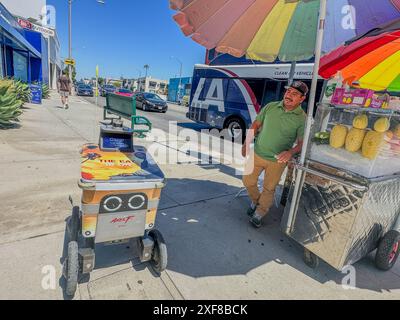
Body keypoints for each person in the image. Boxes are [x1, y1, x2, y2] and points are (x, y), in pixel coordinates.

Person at [242, 81, 309, 228]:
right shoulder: (271, 106)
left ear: (302, 99)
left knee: (269, 188)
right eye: (288, 91)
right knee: (247, 180)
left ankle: (260, 212)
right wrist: (246, 143)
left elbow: (302, 142)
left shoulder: (302, 118)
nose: (289, 95)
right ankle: (256, 200)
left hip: (277, 161)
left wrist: (290, 152)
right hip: (258, 153)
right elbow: (256, 125)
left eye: (295, 94)